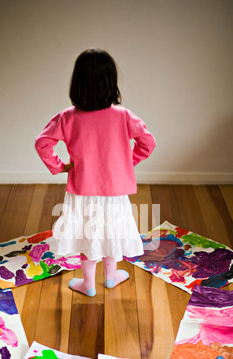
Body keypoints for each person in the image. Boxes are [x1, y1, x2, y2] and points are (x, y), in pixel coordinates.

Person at [35, 48, 155, 297]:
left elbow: (42, 143)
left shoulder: (67, 117)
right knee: (112, 231)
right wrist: (125, 163)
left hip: (82, 190)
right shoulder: (124, 116)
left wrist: (59, 166)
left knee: (86, 234)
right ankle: (110, 278)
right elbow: (148, 143)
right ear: (112, 83)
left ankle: (88, 284)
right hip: (114, 190)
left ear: (76, 82)